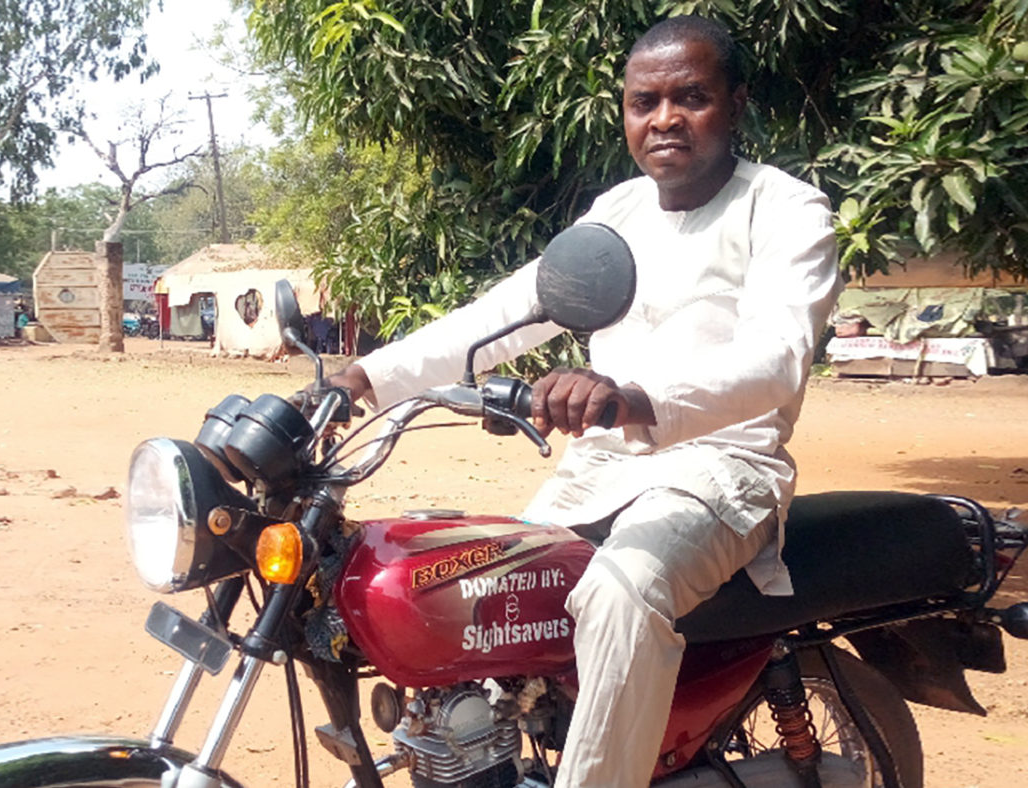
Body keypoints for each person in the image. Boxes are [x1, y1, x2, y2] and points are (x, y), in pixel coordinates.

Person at [322, 16, 841, 787]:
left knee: (619, 591)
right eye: (645, 102)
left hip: (721, 470)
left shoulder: (785, 209)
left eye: (690, 97)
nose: (664, 118)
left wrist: (632, 398)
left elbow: (777, 359)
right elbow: (505, 313)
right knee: (481, 596)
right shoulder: (617, 213)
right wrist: (368, 376)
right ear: (626, 113)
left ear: (734, 105)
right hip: (598, 469)